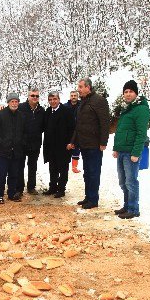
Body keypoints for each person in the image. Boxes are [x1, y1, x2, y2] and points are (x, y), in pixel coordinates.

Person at [67, 77, 110, 209]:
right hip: (84, 144)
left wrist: (103, 142)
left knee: (93, 172)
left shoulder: (99, 101)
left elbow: (105, 122)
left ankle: (93, 200)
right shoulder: (83, 102)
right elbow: (79, 124)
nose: (78, 90)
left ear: (88, 87)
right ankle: (88, 197)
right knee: (87, 172)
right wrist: (73, 141)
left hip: (95, 144)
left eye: (80, 87)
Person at [113, 80, 150, 219]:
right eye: (126, 92)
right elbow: (121, 131)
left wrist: (136, 153)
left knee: (131, 181)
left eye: (130, 92)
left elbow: (141, 133)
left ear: (136, 93)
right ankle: (127, 205)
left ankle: (134, 209)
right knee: (123, 181)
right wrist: (116, 148)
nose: (128, 94)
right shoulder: (126, 108)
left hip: (131, 153)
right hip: (122, 151)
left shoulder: (141, 109)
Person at [0, 93, 25, 204]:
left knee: (14, 174)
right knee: (2, 174)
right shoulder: (0, 114)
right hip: (3, 150)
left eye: (16, 101)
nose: (14, 103)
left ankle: (11, 193)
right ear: (8, 102)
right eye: (12, 101)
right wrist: (1, 141)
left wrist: (21, 142)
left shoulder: (21, 116)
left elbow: (24, 132)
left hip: (16, 150)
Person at [42, 92, 74, 198]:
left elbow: (73, 128)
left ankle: (61, 189)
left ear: (59, 99)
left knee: (63, 169)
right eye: (50, 99)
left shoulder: (67, 111)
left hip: (63, 146)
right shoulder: (47, 112)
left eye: (54, 99)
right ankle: (52, 187)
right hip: (51, 146)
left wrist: (71, 142)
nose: (52, 101)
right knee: (52, 168)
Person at [17, 87, 45, 195]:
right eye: (32, 95)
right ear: (28, 96)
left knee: (33, 166)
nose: (35, 97)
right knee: (20, 166)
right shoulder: (20, 108)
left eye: (37, 96)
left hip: (35, 143)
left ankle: (31, 187)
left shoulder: (41, 110)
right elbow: (9, 113)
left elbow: (43, 126)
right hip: (22, 143)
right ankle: (19, 188)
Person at [65, 90, 81, 173]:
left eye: (75, 95)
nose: (73, 97)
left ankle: (74, 167)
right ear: (70, 97)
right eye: (72, 95)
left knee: (76, 149)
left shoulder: (82, 105)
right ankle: (64, 167)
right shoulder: (65, 106)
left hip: (78, 131)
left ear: (77, 96)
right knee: (66, 149)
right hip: (68, 131)